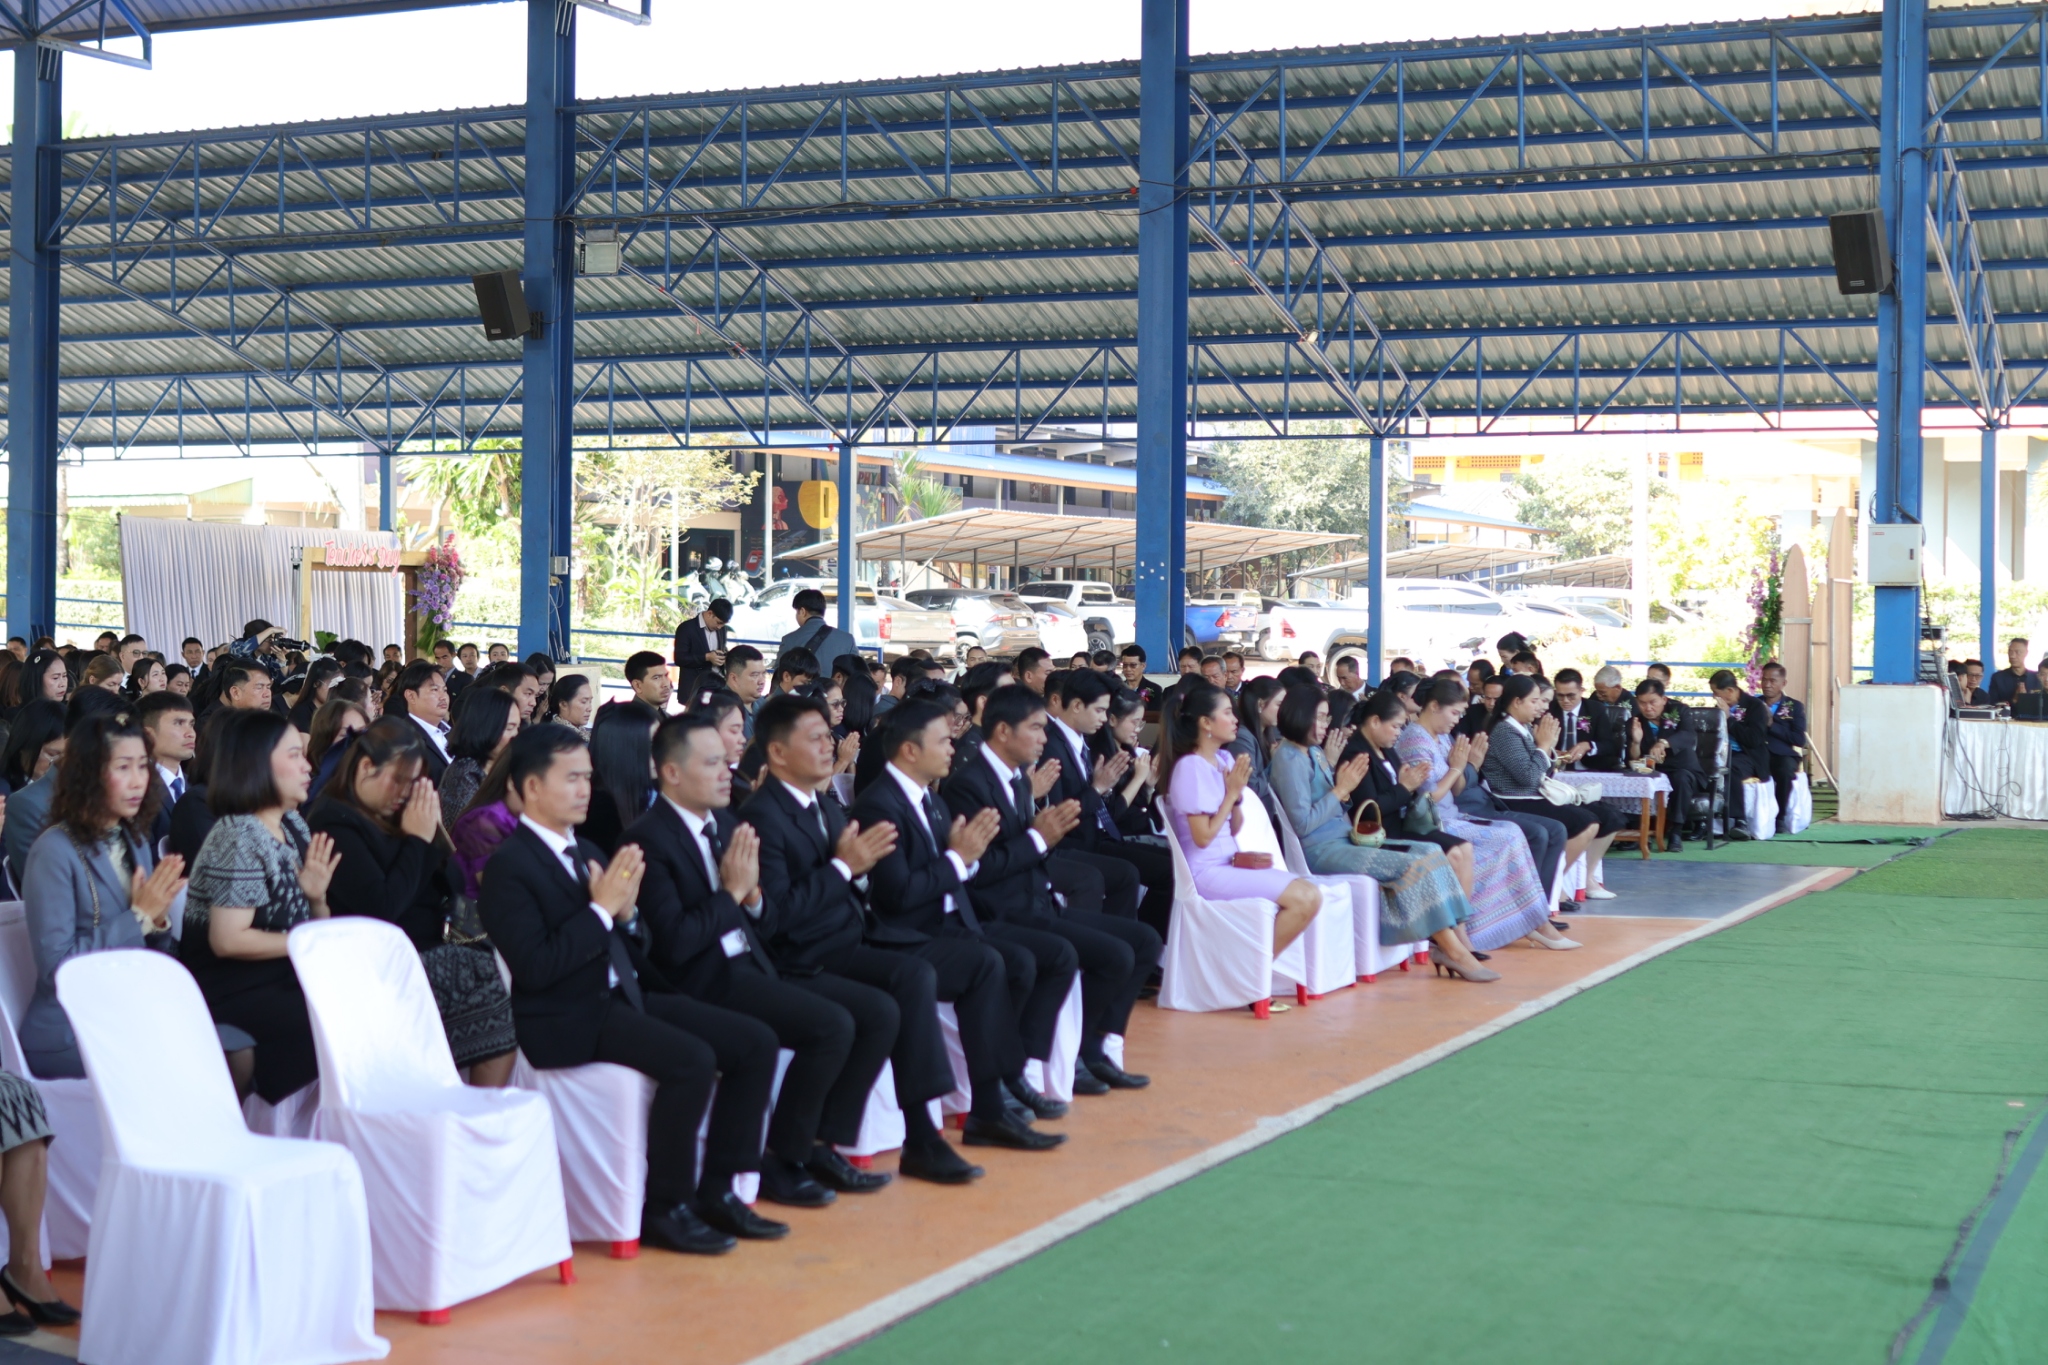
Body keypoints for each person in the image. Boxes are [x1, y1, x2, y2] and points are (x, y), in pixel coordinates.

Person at [479, 726, 786, 1253]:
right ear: (531, 787)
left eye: (588, 777)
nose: (585, 789)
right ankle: (667, 1206)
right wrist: (602, 911)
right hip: (567, 1016)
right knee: (692, 1060)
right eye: (571, 779)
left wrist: (626, 917)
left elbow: (631, 939)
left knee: (755, 1043)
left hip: (622, 995)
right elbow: (536, 967)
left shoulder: (586, 849)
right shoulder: (508, 867)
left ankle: (721, 1189)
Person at [741, 693, 1027, 1178]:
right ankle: (920, 1136)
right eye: (815, 738)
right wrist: (845, 868)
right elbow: (777, 918)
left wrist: (854, 874)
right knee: (909, 980)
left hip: (853, 936)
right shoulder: (762, 816)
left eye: (828, 735)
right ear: (777, 752)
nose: (829, 745)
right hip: (804, 954)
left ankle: (975, 1106)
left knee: (976, 962)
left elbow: (858, 885)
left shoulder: (825, 808)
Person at [629, 713, 892, 1202]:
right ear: (671, 772)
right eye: (712, 763)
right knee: (822, 1027)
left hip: (755, 962)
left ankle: (807, 1148)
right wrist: (733, 895)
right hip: (699, 979)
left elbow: (767, 917)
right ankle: (769, 1165)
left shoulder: (728, 824)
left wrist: (751, 900)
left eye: (725, 760)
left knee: (866, 1013)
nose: (727, 770)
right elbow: (676, 943)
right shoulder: (647, 838)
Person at [856, 699, 1082, 1121]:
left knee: (1025, 960)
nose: (953, 747)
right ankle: (992, 1099)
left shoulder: (932, 800)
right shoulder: (879, 805)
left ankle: (1010, 1076)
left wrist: (967, 859)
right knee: (990, 963)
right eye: (944, 741)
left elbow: (960, 868)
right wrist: (960, 859)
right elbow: (899, 894)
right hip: (909, 932)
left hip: (954, 919)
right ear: (910, 750)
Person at [944, 684, 1160, 1086]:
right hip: (1003, 912)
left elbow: (1032, 847)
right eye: (1036, 728)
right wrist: (1039, 839)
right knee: (1108, 955)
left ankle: (1096, 1045)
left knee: (1144, 941)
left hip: (1038, 903)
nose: (1045, 738)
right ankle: (1033, 1068)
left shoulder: (1016, 779)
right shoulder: (969, 785)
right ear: (1003, 730)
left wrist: (1042, 836)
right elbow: (980, 869)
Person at [307, 718, 518, 1086]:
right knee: (482, 974)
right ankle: (483, 1100)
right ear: (366, 768)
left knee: (501, 961)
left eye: (414, 784)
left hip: (426, 944)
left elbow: (452, 882)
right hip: (377, 961)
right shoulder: (335, 821)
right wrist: (417, 840)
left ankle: (481, 1098)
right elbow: (381, 907)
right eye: (399, 781)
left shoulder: (394, 816)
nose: (405, 793)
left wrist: (433, 830)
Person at [19, 712, 213, 1082]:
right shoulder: (54, 850)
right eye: (123, 767)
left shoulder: (132, 837)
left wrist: (157, 921)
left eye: (143, 766)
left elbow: (148, 948)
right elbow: (58, 970)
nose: (138, 780)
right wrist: (139, 916)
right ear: (87, 774)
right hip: (71, 1026)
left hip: (125, 1006)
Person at [1269, 688, 1493, 982]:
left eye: (1326, 718)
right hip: (1321, 849)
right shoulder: (1288, 759)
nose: (1326, 725)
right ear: (1300, 715)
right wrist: (1342, 788)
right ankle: (1452, 951)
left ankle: (1451, 940)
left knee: (1431, 852)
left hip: (1343, 838)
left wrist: (1342, 789)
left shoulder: (1312, 752)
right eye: (1320, 718)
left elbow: (1337, 805)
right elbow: (1302, 824)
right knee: (1412, 864)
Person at [179, 708, 340, 1105]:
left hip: (279, 977)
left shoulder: (292, 825)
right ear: (257, 763)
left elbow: (314, 927)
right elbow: (228, 940)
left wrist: (317, 898)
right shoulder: (238, 833)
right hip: (234, 988)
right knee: (336, 1015)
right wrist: (305, 944)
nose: (308, 766)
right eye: (294, 755)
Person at [1395, 678, 1572, 950]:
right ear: (1434, 706)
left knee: (1513, 831)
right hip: (1434, 822)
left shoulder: (1442, 737)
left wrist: (1467, 765)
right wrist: (1457, 768)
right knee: (1509, 837)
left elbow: (1457, 789)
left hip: (1452, 814)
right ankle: (1524, 922)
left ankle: (1532, 919)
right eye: (1454, 713)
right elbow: (1429, 797)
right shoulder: (1414, 740)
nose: (1458, 720)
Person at [1158, 683, 1323, 968]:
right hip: (1207, 871)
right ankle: (1250, 971)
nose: (1235, 719)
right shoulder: (1190, 767)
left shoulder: (1222, 759)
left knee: (1308, 893)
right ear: (1206, 723)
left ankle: (1249, 970)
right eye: (1227, 713)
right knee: (1305, 898)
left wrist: (1234, 798)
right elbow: (1202, 838)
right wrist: (1231, 794)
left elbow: (1234, 828)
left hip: (1230, 861)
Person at [1043, 668, 1176, 940]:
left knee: (1167, 866)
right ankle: (1124, 943)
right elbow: (1061, 815)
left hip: (1098, 834)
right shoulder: (1052, 747)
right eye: (1100, 711)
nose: (1104, 719)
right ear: (1076, 706)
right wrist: (1099, 788)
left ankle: (1136, 942)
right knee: (1128, 873)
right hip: (1072, 844)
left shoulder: (1079, 741)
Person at [1481, 674, 1619, 903]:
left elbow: (1542, 772)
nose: (1540, 707)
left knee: (1610, 815)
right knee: (1586, 822)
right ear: (1517, 702)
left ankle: (1580, 879)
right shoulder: (1504, 731)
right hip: (1514, 799)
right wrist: (1544, 746)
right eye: (1534, 701)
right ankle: (1554, 884)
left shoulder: (1522, 727)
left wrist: (1548, 749)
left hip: (1533, 795)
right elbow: (1528, 777)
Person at [1629, 678, 1706, 849]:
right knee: (1637, 779)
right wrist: (1636, 741)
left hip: (1683, 769)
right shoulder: (1636, 721)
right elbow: (1635, 758)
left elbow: (1688, 735)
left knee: (1680, 778)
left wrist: (1663, 743)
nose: (1648, 708)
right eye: (1642, 703)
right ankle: (1638, 833)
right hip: (1654, 771)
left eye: (1652, 702)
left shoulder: (1680, 711)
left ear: (1663, 699)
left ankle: (1676, 832)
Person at [582, 700, 661, 855]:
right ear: (623, 749)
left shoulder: (656, 793)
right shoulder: (597, 815)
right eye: (651, 746)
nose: (661, 754)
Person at [439, 687, 521, 830]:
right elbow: (472, 830)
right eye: (509, 728)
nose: (516, 736)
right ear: (486, 727)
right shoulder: (465, 773)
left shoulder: (508, 766)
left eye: (517, 728)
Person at [139, 691, 197, 848]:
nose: (190, 733)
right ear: (148, 734)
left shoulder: (195, 785)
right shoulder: (138, 788)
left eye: (191, 724)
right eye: (178, 723)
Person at [1758, 662, 1808, 831]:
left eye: (1772, 681)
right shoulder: (1754, 704)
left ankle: (1780, 816)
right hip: (1757, 752)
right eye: (1764, 680)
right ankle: (1739, 819)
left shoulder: (1794, 706)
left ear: (1783, 683)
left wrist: (1772, 725)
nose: (1767, 685)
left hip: (1782, 754)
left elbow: (1799, 739)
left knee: (1785, 769)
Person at [387, 660, 452, 783]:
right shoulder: (403, 739)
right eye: (434, 690)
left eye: (444, 690)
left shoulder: (453, 733)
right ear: (411, 696)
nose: (443, 696)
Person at [1708, 669, 1772, 788]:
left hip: (1746, 755)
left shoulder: (1755, 706)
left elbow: (1754, 740)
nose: (1714, 697)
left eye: (1716, 693)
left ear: (1730, 691)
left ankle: (1732, 801)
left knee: (1731, 770)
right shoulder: (1719, 708)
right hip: (1722, 753)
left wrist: (1729, 719)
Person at [778, 589, 860, 680]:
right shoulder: (847, 640)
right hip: (835, 689)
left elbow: (780, 677)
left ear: (802, 611)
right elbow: (857, 675)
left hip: (801, 690)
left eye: (797, 612)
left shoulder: (789, 640)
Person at [673, 598, 732, 690]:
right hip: (694, 687)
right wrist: (707, 657)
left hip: (717, 684)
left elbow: (722, 648)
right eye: (719, 623)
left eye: (723, 624)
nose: (719, 627)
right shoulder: (686, 628)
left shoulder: (722, 629)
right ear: (710, 614)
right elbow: (679, 658)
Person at [720, 646, 768, 739]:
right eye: (755, 675)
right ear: (734, 679)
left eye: (763, 674)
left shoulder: (764, 704)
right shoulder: (719, 710)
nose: (762, 681)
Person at [286, 658, 342, 732]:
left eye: (339, 685)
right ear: (316, 683)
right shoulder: (301, 713)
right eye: (332, 685)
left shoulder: (337, 711)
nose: (335, 690)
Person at [1986, 637, 2043, 705]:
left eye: (2017, 652)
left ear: (2026, 653)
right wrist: (2014, 700)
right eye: (2010, 651)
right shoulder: (1998, 678)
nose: (2012, 656)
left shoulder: (2037, 678)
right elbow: (1992, 704)